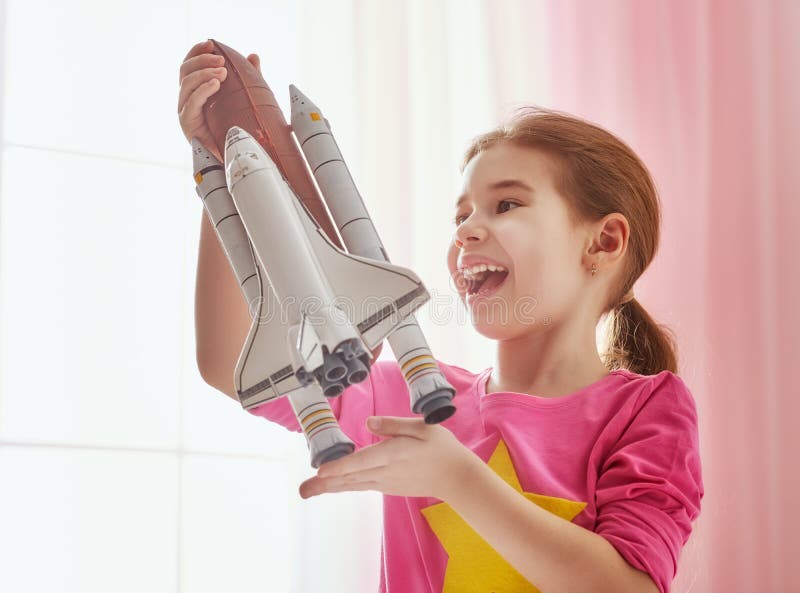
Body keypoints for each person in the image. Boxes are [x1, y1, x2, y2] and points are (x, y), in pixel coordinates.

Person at [179, 39, 703, 593]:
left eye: (507, 205)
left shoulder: (647, 410)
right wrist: (229, 183)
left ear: (603, 242)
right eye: (462, 214)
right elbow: (227, 365)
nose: (467, 230)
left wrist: (458, 479)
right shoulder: (402, 397)